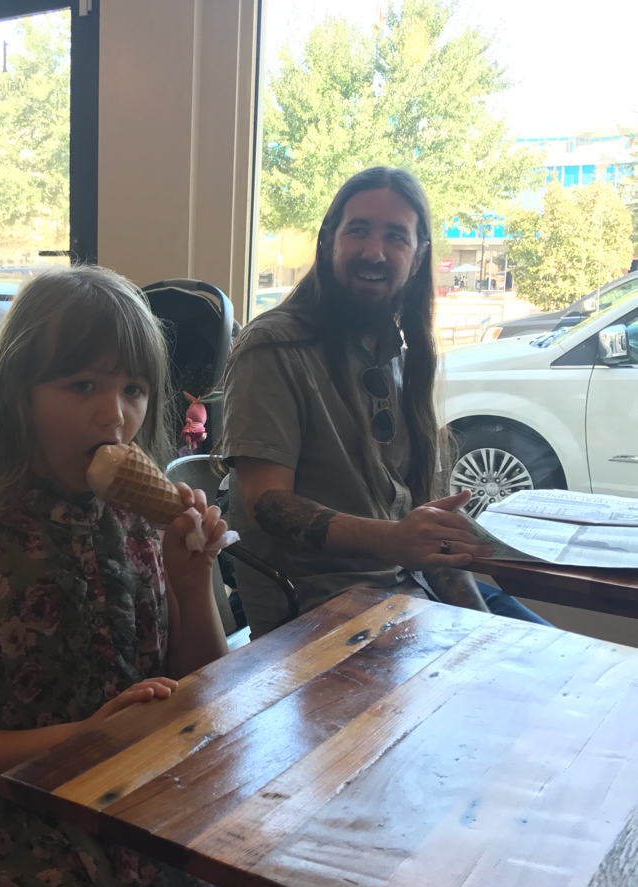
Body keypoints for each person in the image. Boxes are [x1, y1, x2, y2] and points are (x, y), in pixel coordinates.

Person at [0, 266, 233, 887]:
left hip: (141, 801)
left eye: (134, 389)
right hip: (18, 826)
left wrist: (193, 586)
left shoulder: (144, 527)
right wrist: (86, 739)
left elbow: (202, 698)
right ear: (18, 395)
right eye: (82, 385)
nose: (116, 415)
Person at [220, 167, 550, 637]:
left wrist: (482, 630)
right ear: (328, 241)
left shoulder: (399, 357)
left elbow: (431, 541)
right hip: (322, 619)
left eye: (395, 236)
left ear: (418, 258)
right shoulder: (272, 347)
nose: (374, 251)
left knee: (563, 664)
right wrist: (395, 541)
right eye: (358, 230)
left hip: (412, 594)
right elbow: (266, 504)